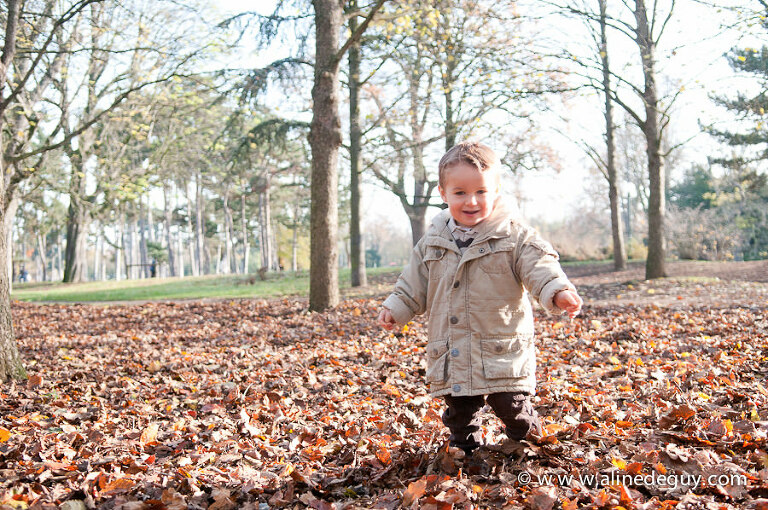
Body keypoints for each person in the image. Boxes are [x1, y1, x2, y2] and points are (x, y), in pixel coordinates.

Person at [378, 141, 582, 454]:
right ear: (443, 194)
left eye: (481, 192)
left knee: (513, 408)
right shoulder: (432, 242)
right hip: (454, 349)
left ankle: (529, 443)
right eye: (460, 192)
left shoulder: (513, 235)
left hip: (500, 350)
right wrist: (396, 308)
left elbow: (539, 266)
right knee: (459, 415)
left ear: (496, 190)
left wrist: (558, 291)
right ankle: (465, 455)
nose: (471, 201)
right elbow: (412, 284)